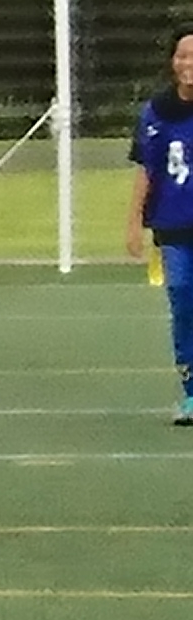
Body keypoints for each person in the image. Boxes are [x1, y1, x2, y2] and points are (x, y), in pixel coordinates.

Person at [122, 25, 193, 427]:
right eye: (183, 55)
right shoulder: (157, 113)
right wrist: (133, 222)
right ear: (172, 61)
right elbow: (147, 171)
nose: (189, 64)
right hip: (175, 227)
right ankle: (191, 393)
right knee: (183, 302)